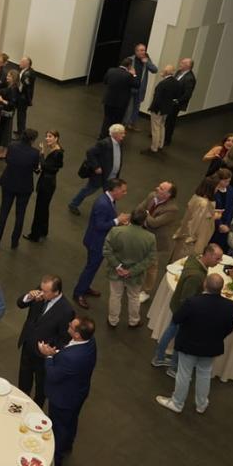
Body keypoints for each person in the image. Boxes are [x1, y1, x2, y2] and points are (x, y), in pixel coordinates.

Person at [156, 274, 233, 414]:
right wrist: (217, 337)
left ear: (205, 284)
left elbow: (177, 318)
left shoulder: (192, 302)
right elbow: (230, 327)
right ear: (221, 289)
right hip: (211, 347)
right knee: (204, 374)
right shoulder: (230, 305)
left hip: (188, 345)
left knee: (184, 374)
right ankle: (201, 404)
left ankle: (177, 403)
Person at [37, 315, 98, 466]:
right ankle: (67, 446)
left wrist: (49, 356)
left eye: (71, 326)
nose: (68, 324)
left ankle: (55, 458)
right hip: (78, 392)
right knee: (71, 422)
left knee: (59, 427)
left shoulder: (72, 357)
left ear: (77, 335)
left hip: (63, 397)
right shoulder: (90, 341)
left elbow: (53, 376)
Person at [151, 242, 223, 371]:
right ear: (207, 254)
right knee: (180, 338)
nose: (219, 261)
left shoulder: (194, 259)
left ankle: (159, 357)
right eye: (217, 258)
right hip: (183, 311)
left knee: (171, 331)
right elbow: (187, 299)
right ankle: (173, 367)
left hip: (177, 306)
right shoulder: (196, 276)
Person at [16, 274, 74, 406]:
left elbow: (64, 338)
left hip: (43, 355)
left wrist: (51, 352)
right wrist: (29, 297)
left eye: (46, 292)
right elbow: (20, 304)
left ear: (56, 292)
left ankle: (36, 409)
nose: (41, 293)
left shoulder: (66, 310)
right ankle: (20, 404)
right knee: (23, 380)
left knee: (41, 386)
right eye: (41, 289)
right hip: (28, 346)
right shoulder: (40, 292)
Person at [72, 178, 129, 309]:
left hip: (99, 240)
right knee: (90, 268)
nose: (125, 193)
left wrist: (117, 220)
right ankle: (78, 293)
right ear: (114, 190)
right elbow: (99, 225)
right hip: (96, 242)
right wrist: (116, 220)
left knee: (93, 268)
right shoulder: (102, 203)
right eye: (123, 191)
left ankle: (85, 287)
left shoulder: (109, 199)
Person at [102, 210, 157, 329]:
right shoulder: (150, 237)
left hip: (116, 272)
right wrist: (132, 271)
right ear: (144, 221)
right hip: (135, 276)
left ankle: (113, 320)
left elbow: (107, 250)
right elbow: (150, 259)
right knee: (134, 297)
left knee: (115, 295)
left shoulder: (116, 231)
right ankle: (133, 321)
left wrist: (118, 266)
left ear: (130, 218)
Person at [0, 128, 41, 249]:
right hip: (24, 186)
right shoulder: (35, 153)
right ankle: (14, 241)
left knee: (4, 211)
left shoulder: (12, 146)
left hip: (9, 182)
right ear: (33, 139)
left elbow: (8, 160)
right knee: (20, 214)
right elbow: (36, 168)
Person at [67, 123, 125, 214]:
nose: (123, 135)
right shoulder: (104, 143)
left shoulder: (120, 144)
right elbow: (90, 152)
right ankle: (73, 204)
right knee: (88, 190)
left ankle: (111, 213)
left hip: (112, 176)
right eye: (122, 133)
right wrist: (96, 167)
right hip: (101, 176)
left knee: (112, 195)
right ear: (115, 134)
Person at [25, 130, 63, 242]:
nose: (47, 139)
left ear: (56, 138)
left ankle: (34, 235)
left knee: (39, 210)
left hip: (46, 184)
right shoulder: (57, 151)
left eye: (50, 136)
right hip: (49, 183)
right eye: (46, 136)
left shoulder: (56, 153)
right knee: (44, 208)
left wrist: (41, 153)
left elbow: (46, 166)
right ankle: (43, 230)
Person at [170, 176, 217, 262]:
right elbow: (196, 224)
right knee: (182, 263)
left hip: (184, 236)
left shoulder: (196, 197)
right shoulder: (203, 204)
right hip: (191, 243)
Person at [144, 64, 181, 154]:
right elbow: (176, 96)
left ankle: (154, 148)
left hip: (158, 109)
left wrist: (152, 108)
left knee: (155, 128)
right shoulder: (176, 82)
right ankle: (160, 145)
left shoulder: (163, 83)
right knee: (162, 126)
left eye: (163, 70)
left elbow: (157, 98)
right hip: (167, 109)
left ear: (166, 72)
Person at [164, 57, 196, 146]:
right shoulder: (178, 72)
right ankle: (160, 135)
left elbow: (187, 94)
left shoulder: (190, 78)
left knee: (170, 121)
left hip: (176, 103)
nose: (180, 64)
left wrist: (177, 101)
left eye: (182, 63)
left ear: (188, 66)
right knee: (165, 119)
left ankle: (167, 139)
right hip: (169, 100)